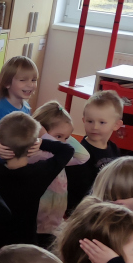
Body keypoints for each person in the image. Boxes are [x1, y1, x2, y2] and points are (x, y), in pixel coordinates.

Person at [0, 112, 74, 246]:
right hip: (26, 241)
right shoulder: (40, 173)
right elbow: (67, 150)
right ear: (32, 145)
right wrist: (42, 142)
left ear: (1, 142)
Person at [31, 100, 90, 248]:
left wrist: (62, 137)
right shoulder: (37, 155)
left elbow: (83, 156)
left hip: (55, 219)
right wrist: (44, 137)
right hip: (38, 222)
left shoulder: (60, 155)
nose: (63, 143)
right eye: (58, 136)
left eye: (66, 138)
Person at [65, 90, 123, 214]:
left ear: (116, 125)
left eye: (102, 122)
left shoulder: (114, 149)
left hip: (104, 206)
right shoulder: (80, 153)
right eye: (90, 121)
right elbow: (80, 191)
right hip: (84, 211)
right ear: (83, 120)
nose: (95, 127)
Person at [0, 54, 39, 135]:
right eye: (23, 80)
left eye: (33, 80)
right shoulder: (1, 111)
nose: (30, 85)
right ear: (7, 83)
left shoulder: (26, 106)